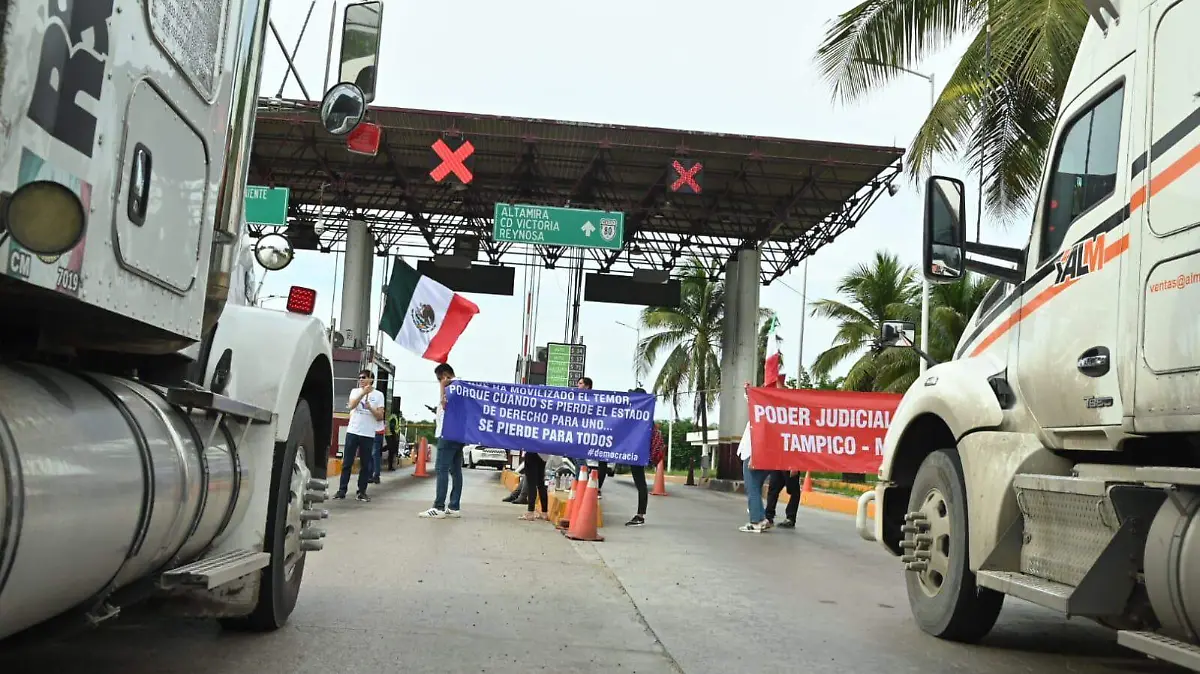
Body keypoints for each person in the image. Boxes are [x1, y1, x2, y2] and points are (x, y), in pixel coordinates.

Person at [419, 363, 464, 519]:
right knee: (455, 471)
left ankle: (438, 507)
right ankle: (454, 506)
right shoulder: (462, 386)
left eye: (439, 379)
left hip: (447, 433)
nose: (439, 382)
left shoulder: (452, 387)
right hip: (458, 434)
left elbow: (446, 406)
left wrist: (443, 387)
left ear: (445, 376)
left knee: (441, 469)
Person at [334, 369, 385, 502]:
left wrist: (370, 408)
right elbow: (351, 406)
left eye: (364, 378)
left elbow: (380, 416)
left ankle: (361, 491)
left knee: (365, 464)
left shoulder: (379, 395)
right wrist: (363, 393)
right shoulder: (355, 391)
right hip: (353, 431)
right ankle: (341, 490)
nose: (361, 380)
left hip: (368, 433)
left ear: (371, 379)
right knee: (347, 462)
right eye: (360, 378)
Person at [624, 388, 666, 527]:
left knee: (640, 484)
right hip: (637, 453)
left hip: (638, 454)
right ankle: (640, 514)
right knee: (640, 484)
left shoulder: (641, 416)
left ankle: (640, 515)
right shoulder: (645, 416)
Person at [737, 383, 771, 533]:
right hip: (763, 456)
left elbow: (757, 439)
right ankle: (762, 518)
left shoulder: (760, 416)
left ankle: (756, 520)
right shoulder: (773, 414)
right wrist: (748, 391)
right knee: (755, 487)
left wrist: (753, 458)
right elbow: (751, 400)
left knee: (752, 489)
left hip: (753, 455)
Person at [576, 376, 611, 497]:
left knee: (602, 460)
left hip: (597, 433)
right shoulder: (576, 399)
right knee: (578, 457)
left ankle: (595, 487)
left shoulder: (596, 399)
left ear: (587, 386)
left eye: (580, 383)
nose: (578, 386)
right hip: (582, 434)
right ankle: (580, 483)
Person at [519, 451, 549, 521]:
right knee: (541, 483)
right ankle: (544, 513)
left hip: (531, 451)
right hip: (543, 454)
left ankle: (530, 512)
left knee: (531, 483)